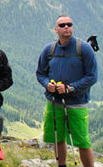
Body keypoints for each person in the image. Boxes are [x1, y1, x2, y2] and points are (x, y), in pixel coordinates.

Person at [36, 15, 97, 167]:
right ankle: (61, 165)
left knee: (82, 140)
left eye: (69, 24)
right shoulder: (49, 50)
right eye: (62, 25)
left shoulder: (84, 48)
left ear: (73, 27)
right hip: (54, 101)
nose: (66, 27)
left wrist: (70, 88)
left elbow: (92, 76)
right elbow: (40, 73)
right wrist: (47, 84)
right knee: (58, 137)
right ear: (56, 30)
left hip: (77, 102)